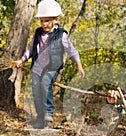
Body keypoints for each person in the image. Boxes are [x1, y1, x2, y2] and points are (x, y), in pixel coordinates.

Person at [13, 0, 85, 128]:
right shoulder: (37, 33)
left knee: (45, 83)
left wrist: (79, 65)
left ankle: (48, 115)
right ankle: (40, 118)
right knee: (36, 91)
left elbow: (71, 50)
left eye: (47, 20)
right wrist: (22, 60)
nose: (44, 24)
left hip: (52, 67)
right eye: (42, 20)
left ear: (55, 19)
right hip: (37, 67)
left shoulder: (61, 35)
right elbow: (31, 49)